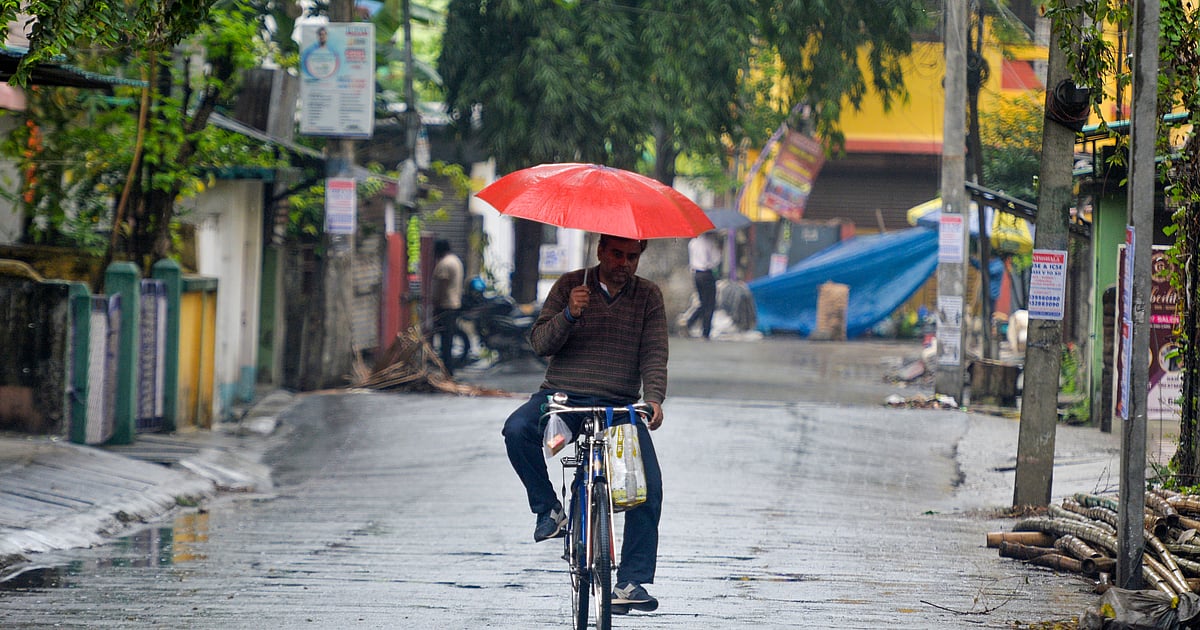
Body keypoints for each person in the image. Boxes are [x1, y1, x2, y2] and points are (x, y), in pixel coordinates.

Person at [501, 234, 667, 613]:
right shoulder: (569, 286)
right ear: (600, 252)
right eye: (616, 254)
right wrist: (570, 314)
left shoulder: (648, 296)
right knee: (517, 429)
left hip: (619, 407)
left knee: (649, 488)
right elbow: (540, 343)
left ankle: (630, 581)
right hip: (563, 397)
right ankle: (549, 510)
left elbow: (655, 352)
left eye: (632, 256)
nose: (624, 263)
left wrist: (654, 398)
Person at [430, 239, 464, 375]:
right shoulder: (455, 260)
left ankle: (447, 370)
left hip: (445, 305)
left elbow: (442, 286)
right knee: (448, 339)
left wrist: (436, 302)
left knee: (444, 340)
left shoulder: (444, 263)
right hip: (454, 304)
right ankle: (448, 369)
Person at [685, 231, 722, 339]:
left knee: (702, 302)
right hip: (707, 274)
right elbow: (716, 260)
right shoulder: (710, 242)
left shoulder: (692, 242)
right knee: (710, 303)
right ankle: (706, 331)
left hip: (697, 274)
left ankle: (689, 322)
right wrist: (719, 251)